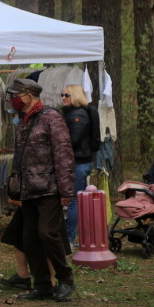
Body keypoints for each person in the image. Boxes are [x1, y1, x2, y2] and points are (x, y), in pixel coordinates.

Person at [6, 78, 75, 302]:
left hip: (49, 188)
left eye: (15, 94)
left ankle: (65, 279)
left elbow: (63, 154)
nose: (12, 99)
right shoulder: (23, 121)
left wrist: (66, 191)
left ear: (29, 95)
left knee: (47, 233)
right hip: (28, 190)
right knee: (30, 239)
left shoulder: (51, 117)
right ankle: (43, 285)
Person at [61, 84, 98, 246]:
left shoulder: (78, 115)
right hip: (81, 161)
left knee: (74, 201)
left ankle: (69, 239)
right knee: (78, 200)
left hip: (80, 162)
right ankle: (76, 237)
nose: (63, 97)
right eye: (62, 94)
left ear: (75, 96)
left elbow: (73, 140)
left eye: (66, 95)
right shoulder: (75, 113)